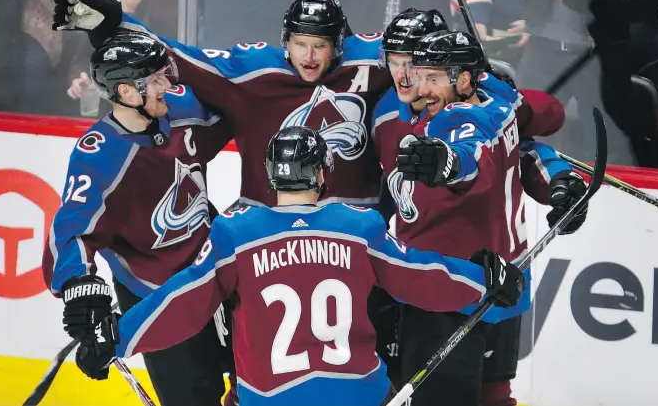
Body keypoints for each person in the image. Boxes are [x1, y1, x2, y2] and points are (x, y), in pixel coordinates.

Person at [52, 0, 404, 382]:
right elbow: (180, 59)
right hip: (268, 252)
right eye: (300, 44)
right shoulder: (252, 75)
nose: (308, 57)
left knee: (363, 362)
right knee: (253, 370)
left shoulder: (372, 58)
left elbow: (433, 62)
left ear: (338, 43)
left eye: (319, 45)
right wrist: (112, 27)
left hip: (352, 249)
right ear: (285, 40)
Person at [70, 125, 528, 406]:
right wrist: (483, 282)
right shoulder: (359, 227)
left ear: (270, 176)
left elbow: (184, 301)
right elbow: (421, 277)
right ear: (324, 173)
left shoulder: (236, 234)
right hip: (358, 398)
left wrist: (119, 335)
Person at [385, 30, 588, 406]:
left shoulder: (463, 120)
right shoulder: (500, 102)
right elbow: (531, 146)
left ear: (463, 80)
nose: (421, 87)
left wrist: (445, 162)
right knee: (495, 395)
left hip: (448, 288)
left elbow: (470, 155)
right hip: (504, 280)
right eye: (420, 75)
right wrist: (564, 180)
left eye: (433, 79)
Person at [42, 31, 235, 406]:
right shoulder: (98, 156)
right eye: (155, 80)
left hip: (216, 274)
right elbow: (72, 235)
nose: (168, 84)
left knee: (254, 380)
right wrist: (81, 291)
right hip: (159, 297)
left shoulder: (181, 109)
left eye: (164, 73)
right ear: (127, 93)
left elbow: (244, 107)